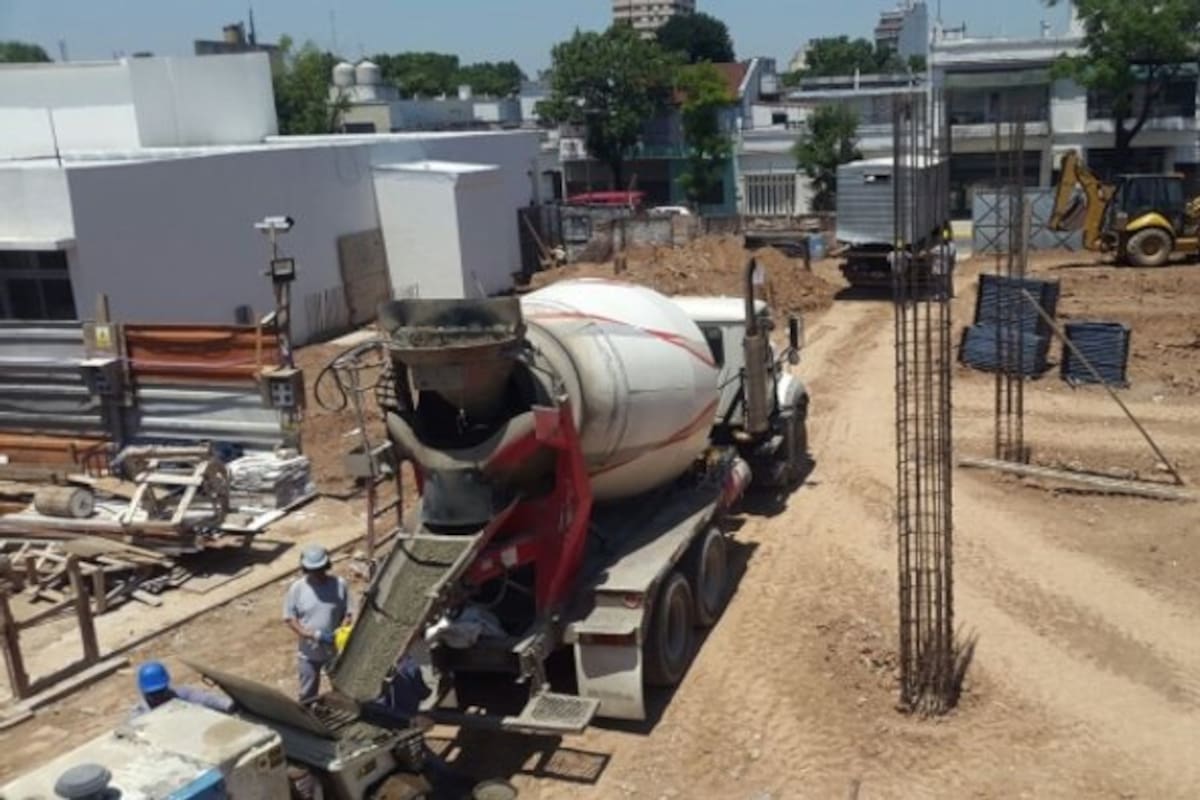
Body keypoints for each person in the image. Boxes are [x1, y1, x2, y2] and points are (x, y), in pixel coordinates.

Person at [283, 544, 354, 703]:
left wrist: (341, 630)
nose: (317, 574)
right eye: (313, 571)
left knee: (343, 689)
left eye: (320, 569)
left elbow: (348, 613)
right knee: (308, 694)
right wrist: (311, 634)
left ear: (327, 566)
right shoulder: (297, 588)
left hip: (335, 652)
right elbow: (290, 618)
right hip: (309, 654)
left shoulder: (339, 585)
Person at [130, 660, 233, 718]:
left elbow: (207, 699)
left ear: (167, 685)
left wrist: (228, 705)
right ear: (143, 691)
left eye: (161, 692)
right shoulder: (141, 714)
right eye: (153, 694)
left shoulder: (181, 694)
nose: (158, 697)